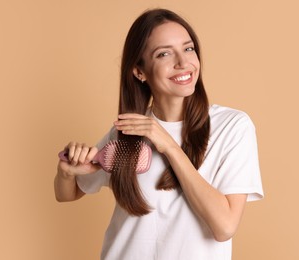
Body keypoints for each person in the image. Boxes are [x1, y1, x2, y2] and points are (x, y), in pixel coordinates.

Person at [54, 8, 264, 260]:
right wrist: (66, 172)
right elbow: (67, 194)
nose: (183, 62)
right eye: (164, 53)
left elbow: (225, 226)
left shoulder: (232, 126)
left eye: (188, 49)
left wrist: (169, 146)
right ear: (139, 71)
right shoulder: (128, 131)